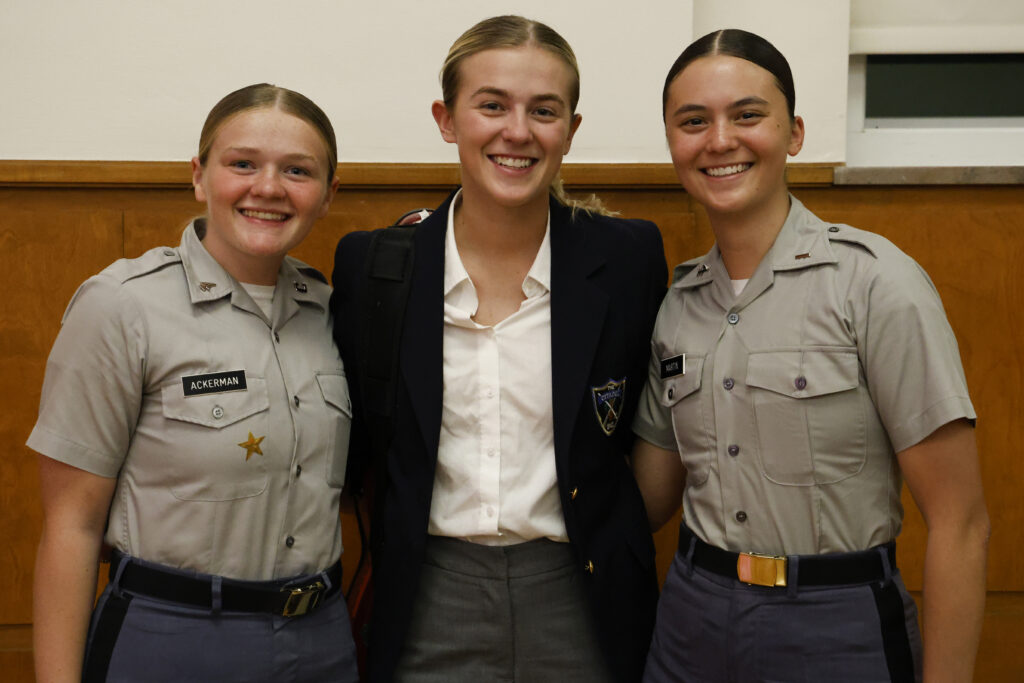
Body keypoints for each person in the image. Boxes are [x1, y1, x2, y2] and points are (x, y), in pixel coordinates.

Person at [631, 29, 990, 683]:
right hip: (690, 618)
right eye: (693, 121)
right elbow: (647, 498)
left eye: (747, 115)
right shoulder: (676, 302)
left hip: (838, 621)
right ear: (673, 142)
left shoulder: (876, 284)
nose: (719, 140)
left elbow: (960, 521)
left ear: (793, 132)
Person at [331, 15, 666, 683]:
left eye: (543, 110)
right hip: (428, 592)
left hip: (580, 591)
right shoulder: (375, 266)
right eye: (491, 105)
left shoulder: (628, 259)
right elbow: (359, 449)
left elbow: (646, 434)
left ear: (570, 129)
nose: (518, 131)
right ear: (447, 118)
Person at [29, 83, 358, 683]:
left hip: (322, 641)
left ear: (328, 195)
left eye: (297, 171)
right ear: (200, 176)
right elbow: (70, 527)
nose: (268, 188)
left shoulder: (333, 312)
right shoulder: (123, 306)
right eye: (242, 164)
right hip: (170, 637)